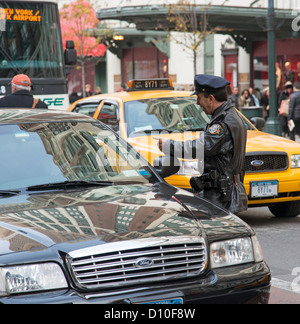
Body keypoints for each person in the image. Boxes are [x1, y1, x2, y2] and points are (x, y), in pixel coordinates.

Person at [156, 74, 248, 214]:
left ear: (210, 98)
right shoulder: (230, 116)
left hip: (220, 196)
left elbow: (201, 147)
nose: (198, 103)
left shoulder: (222, 123)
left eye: (199, 97)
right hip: (224, 192)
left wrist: (170, 146)